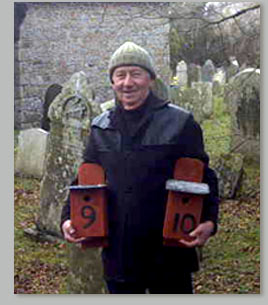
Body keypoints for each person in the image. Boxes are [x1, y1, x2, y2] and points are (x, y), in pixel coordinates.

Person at [60, 41, 219, 294]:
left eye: (135, 74)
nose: (127, 82)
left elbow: (205, 177)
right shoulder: (100, 127)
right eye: (120, 75)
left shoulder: (180, 123)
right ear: (112, 82)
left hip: (169, 252)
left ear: (151, 79)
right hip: (119, 252)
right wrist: (68, 217)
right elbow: (84, 177)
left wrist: (209, 221)